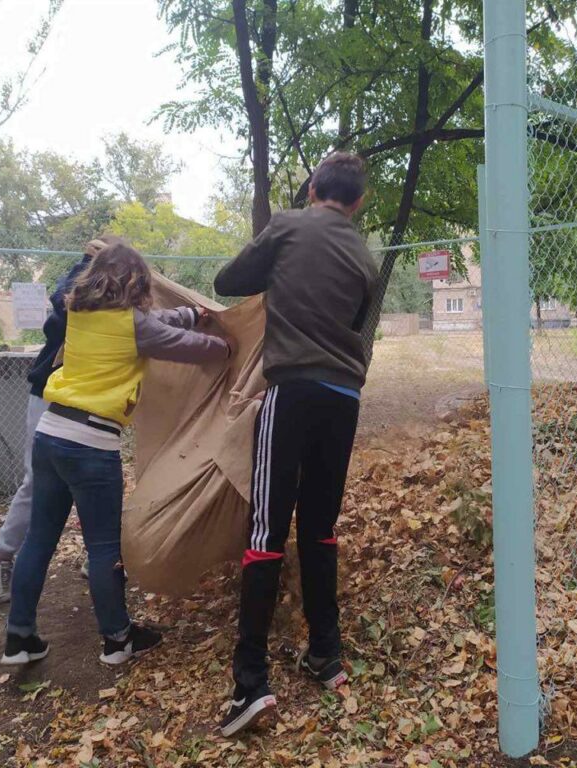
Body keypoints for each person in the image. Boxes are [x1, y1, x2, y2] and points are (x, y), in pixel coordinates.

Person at [0, 242, 232, 666]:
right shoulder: (133, 327)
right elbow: (183, 344)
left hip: (50, 435)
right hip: (91, 445)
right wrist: (227, 349)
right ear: (134, 283)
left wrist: (192, 315)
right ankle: (117, 639)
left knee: (39, 539)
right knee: (104, 547)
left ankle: (19, 638)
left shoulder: (80, 314)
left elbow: (155, 322)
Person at [212, 152, 377, 737]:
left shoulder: (285, 225)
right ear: (358, 203)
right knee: (321, 526)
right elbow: (356, 320)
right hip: (345, 397)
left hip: (294, 388)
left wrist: (278, 274)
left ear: (312, 190)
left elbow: (227, 282)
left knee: (266, 529)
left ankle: (249, 682)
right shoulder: (366, 257)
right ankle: (325, 656)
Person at [0, 236, 123, 602]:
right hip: (50, 397)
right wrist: (83, 263)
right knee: (37, 483)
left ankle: (98, 558)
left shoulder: (120, 304)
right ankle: (0, 556)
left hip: (90, 406)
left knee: (94, 484)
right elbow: (62, 301)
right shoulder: (75, 300)